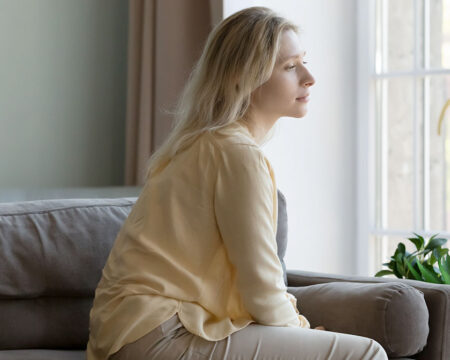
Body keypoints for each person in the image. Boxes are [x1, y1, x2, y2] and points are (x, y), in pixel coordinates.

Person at [86, 6, 388, 360]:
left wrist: (299, 332)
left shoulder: (204, 143)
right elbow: (261, 286)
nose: (309, 77)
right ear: (242, 77)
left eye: (304, 61)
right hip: (158, 334)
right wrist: (299, 332)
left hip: (131, 333)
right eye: (290, 67)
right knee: (367, 353)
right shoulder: (237, 154)